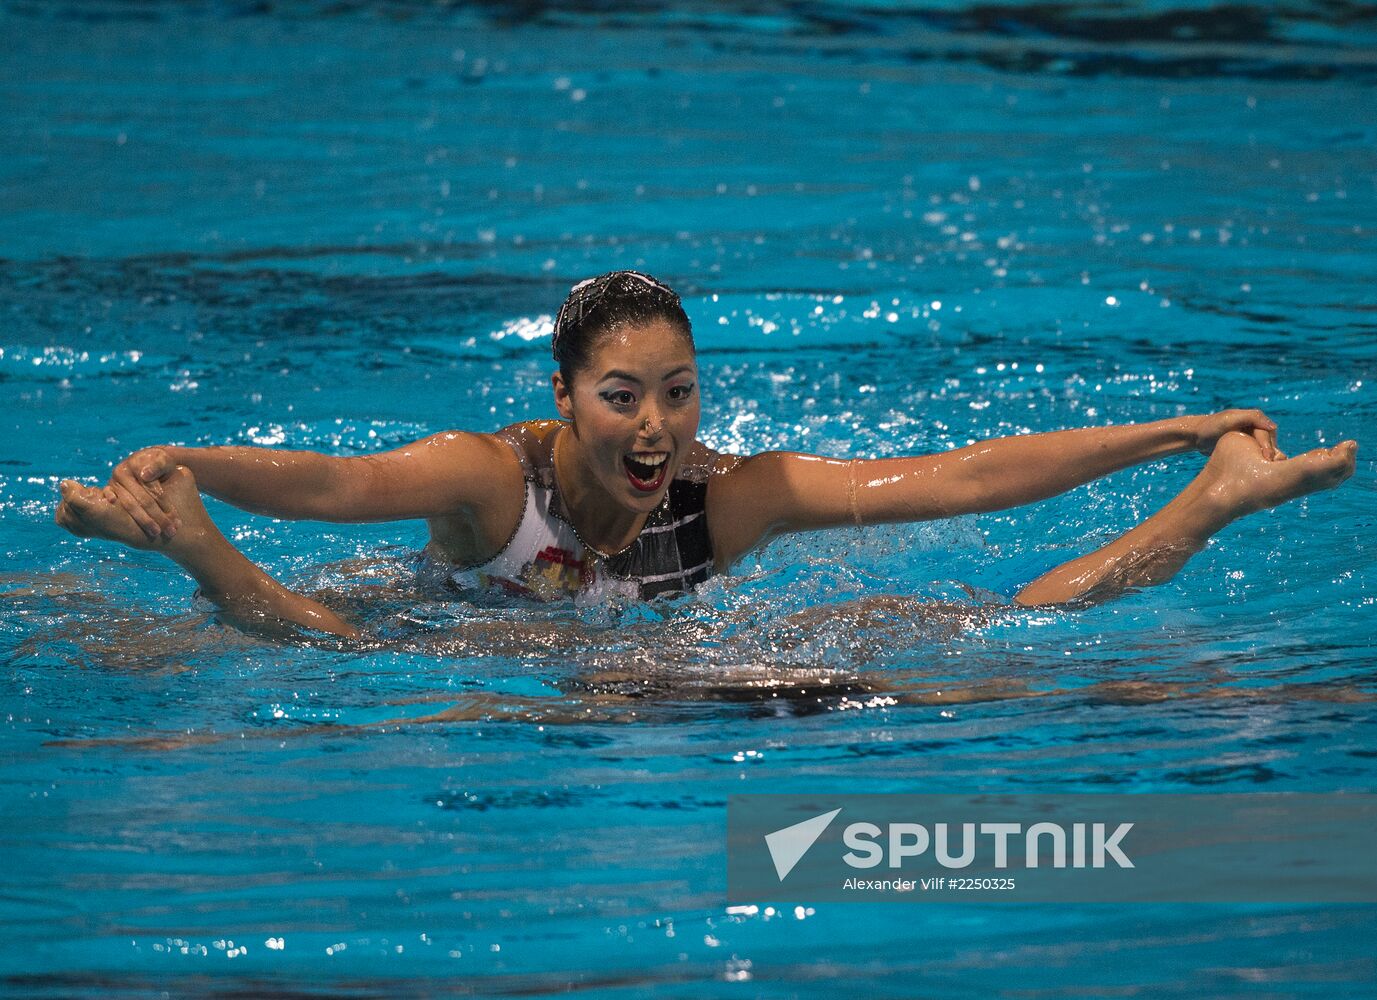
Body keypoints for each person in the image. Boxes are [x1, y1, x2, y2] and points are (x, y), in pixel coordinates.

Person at [55, 271, 1357, 641]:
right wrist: (195, 465)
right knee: (312, 637)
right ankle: (190, 552)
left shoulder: (728, 500)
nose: (655, 424)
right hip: (437, 633)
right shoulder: (481, 478)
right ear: (562, 398)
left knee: (971, 627)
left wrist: (1169, 434)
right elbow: (336, 484)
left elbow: (962, 475)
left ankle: (1211, 502)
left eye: (676, 394)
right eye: (621, 396)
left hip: (630, 668)